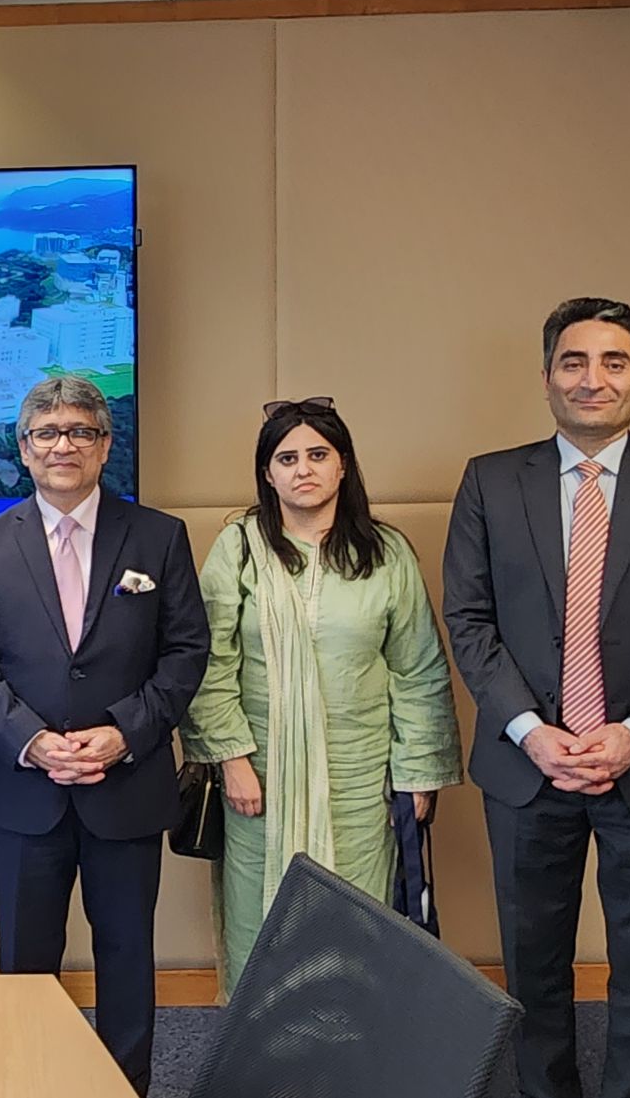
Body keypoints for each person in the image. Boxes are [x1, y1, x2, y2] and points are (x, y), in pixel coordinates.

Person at [442, 298, 630, 1098]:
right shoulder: (490, 478)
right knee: (532, 966)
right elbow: (470, 620)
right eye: (574, 362)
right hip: (527, 765)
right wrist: (530, 731)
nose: (593, 379)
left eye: (614, 362)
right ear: (546, 376)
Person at [0, 375, 209, 1096]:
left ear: (105, 445)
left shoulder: (158, 536)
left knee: (127, 956)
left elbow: (186, 653)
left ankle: (126, 1086)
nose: (63, 445)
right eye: (47, 433)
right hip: (26, 789)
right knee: (27, 961)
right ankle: (28, 1082)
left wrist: (124, 733)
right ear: (24, 450)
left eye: (80, 432)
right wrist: (31, 739)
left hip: (126, 784)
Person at [181, 396, 461, 997]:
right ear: (267, 472)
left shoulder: (386, 553)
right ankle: (264, 1068)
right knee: (261, 926)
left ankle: (349, 1067)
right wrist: (231, 758)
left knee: (357, 927)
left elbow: (417, 670)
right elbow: (208, 660)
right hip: (259, 780)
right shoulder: (239, 549)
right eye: (287, 457)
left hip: (361, 782)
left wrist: (417, 774)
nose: (302, 468)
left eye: (317, 454)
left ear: (342, 466)